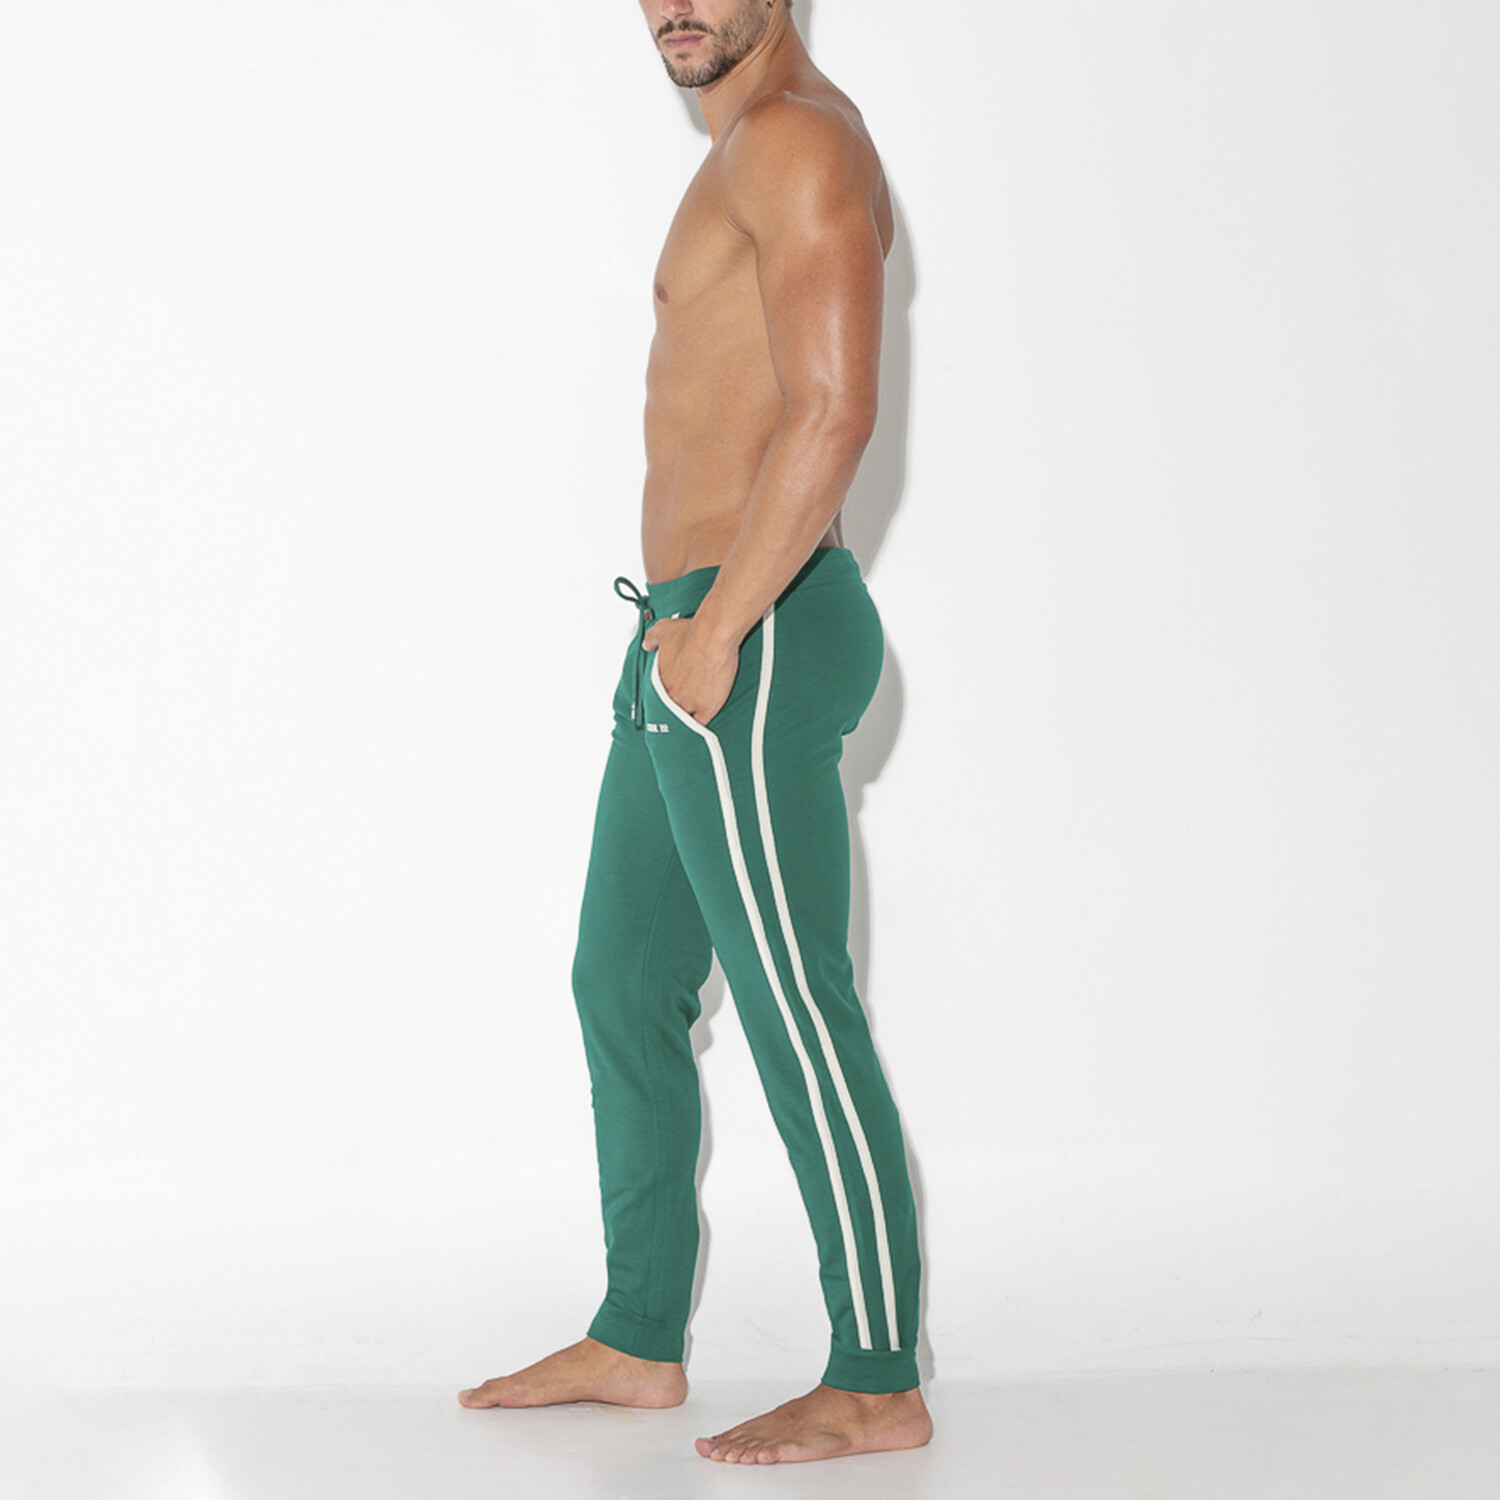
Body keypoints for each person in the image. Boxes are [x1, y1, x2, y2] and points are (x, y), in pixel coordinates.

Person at [458, 0, 930, 1465]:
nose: (674, 3)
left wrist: (720, 632)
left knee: (795, 1003)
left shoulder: (797, 141)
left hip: (753, 630)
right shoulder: (737, 153)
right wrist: (686, 635)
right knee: (621, 980)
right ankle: (639, 1332)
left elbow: (835, 410)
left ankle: (877, 1376)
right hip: (687, 632)